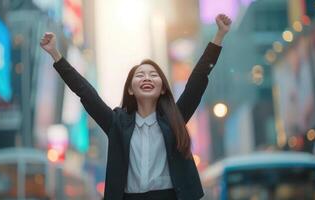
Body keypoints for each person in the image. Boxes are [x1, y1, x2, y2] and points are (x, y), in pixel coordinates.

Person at [40, 14, 231, 200]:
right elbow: (85, 92)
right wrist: (56, 54)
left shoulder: (175, 118)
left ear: (163, 87)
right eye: (140, 76)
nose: (147, 78)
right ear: (130, 89)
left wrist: (219, 35)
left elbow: (197, 82)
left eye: (153, 75)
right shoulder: (117, 123)